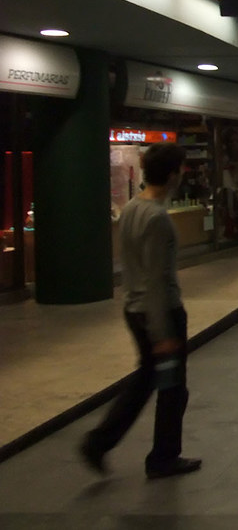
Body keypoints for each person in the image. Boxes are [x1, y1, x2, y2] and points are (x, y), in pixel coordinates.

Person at [80, 143, 201, 479]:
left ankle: (99, 442)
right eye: (181, 169)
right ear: (174, 173)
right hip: (159, 315)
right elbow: (158, 280)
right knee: (173, 387)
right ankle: (163, 457)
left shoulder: (132, 207)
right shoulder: (158, 218)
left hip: (135, 310)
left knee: (146, 380)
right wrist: (162, 333)